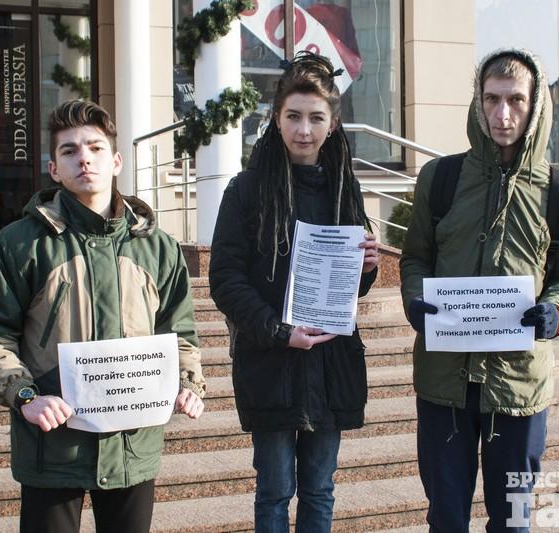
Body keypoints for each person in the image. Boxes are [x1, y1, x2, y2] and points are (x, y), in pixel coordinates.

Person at [0, 100, 207, 533]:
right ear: (54, 169)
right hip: (52, 446)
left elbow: (178, 332)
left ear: (116, 161)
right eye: (69, 150)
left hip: (132, 444)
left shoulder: (158, 247)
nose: (84, 159)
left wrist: (186, 383)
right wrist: (25, 396)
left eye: (95, 148)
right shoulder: (21, 244)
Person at [400, 49, 559, 532]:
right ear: (478, 101)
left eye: (516, 100)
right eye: (492, 99)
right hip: (445, 380)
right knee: (446, 518)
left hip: (519, 383)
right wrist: (415, 300)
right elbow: (415, 257)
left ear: (535, 105)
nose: (503, 115)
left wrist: (556, 310)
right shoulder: (440, 179)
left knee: (513, 520)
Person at [208, 51, 379, 532]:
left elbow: (352, 287)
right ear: (276, 118)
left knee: (320, 490)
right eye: (294, 116)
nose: (304, 130)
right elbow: (225, 279)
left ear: (333, 123)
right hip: (272, 365)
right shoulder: (246, 190)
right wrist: (279, 331)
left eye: (316, 118)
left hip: (330, 363)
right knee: (275, 490)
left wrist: (366, 267)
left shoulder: (344, 188)